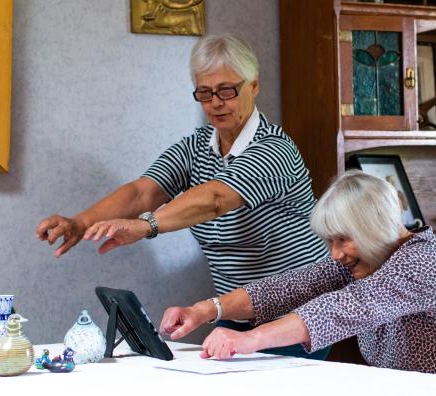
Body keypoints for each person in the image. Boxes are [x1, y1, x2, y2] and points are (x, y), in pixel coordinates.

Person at [36, 33, 329, 359]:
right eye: (205, 93)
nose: (216, 102)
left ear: (254, 86)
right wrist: (81, 222)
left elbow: (216, 198)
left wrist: (145, 226)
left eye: (227, 90)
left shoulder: (275, 150)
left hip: (300, 312)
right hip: (236, 313)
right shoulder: (197, 146)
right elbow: (142, 191)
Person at [159, 170, 436, 383]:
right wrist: (203, 311)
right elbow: (287, 288)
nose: (335, 253)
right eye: (331, 240)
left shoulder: (426, 259)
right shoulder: (366, 261)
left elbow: (343, 309)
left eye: (343, 239)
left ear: (373, 227)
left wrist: (246, 341)